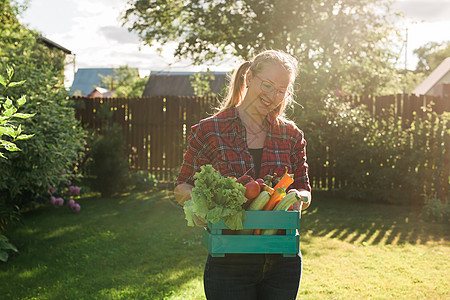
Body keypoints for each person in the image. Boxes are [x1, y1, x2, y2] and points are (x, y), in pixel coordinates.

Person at [174, 49, 311, 300]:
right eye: (267, 85)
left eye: (281, 90)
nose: (272, 96)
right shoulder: (210, 130)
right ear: (249, 78)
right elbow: (181, 186)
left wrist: (295, 198)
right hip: (229, 263)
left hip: (282, 261)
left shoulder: (291, 135)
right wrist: (205, 202)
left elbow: (304, 188)